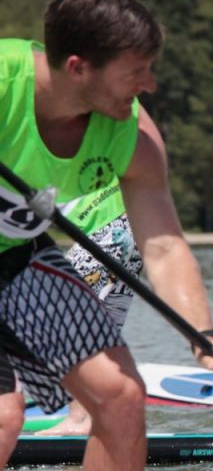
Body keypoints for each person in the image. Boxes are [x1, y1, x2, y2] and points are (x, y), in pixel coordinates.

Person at [0, 0, 213, 471]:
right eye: (136, 69)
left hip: (17, 258)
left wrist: (204, 330)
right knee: (4, 417)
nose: (151, 83)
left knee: (119, 395)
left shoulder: (130, 131)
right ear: (78, 65)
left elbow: (162, 243)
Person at [34, 177, 140, 435]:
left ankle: (85, 418)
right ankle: (101, 415)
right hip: (132, 225)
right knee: (102, 330)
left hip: (105, 228)